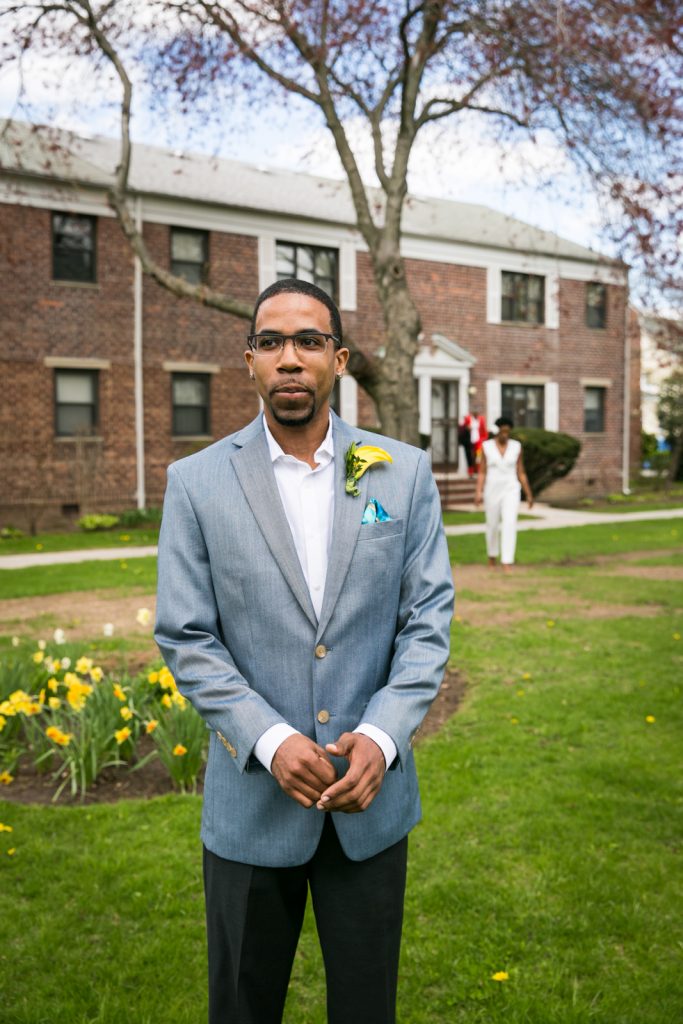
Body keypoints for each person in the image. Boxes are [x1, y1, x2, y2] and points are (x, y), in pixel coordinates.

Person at [154, 277, 454, 1024]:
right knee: (242, 1006)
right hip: (251, 809)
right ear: (249, 360)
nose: (290, 359)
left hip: (370, 805)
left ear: (339, 360)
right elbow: (186, 635)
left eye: (308, 341)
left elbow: (426, 620)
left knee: (365, 1007)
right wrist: (271, 738)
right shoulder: (194, 484)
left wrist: (383, 740)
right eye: (271, 342)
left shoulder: (400, 471)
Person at [474, 416, 533, 571]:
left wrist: (528, 493)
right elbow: (482, 472)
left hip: (511, 489)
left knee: (509, 522)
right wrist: (478, 492)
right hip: (492, 489)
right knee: (492, 524)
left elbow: (521, 472)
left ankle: (507, 560)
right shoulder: (486, 447)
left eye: (508, 431)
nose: (505, 434)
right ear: (498, 431)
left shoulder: (516, 447)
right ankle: (492, 555)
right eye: (503, 431)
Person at [460, 409, 487, 476]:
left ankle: (477, 470)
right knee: (469, 455)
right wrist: (466, 427)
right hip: (469, 441)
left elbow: (484, 430)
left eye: (477, 413)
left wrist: (484, 439)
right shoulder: (467, 419)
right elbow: (462, 427)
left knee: (478, 456)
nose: (476, 414)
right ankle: (470, 471)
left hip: (478, 441)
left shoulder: (481, 419)